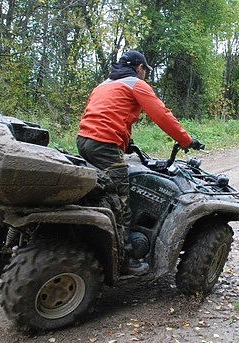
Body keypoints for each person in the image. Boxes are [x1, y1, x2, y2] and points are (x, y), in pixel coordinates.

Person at [77, 50, 203, 275]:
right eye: (145, 70)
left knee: (98, 190)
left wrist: (125, 142)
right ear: (139, 68)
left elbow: (104, 115)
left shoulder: (104, 85)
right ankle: (124, 258)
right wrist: (186, 140)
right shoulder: (135, 84)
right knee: (120, 200)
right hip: (105, 145)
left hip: (84, 141)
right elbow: (162, 115)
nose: (145, 75)